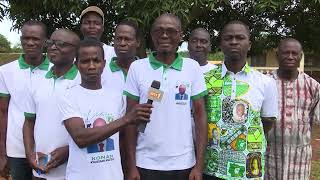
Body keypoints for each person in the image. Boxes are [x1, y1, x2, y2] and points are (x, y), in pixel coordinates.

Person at [124, 13, 208, 180]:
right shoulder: (137, 67)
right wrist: (131, 166)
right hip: (144, 163)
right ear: (152, 35)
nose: (164, 35)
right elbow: (130, 120)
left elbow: (200, 117)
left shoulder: (192, 68)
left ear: (180, 36)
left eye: (171, 31)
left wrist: (198, 166)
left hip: (184, 163)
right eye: (159, 31)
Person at [57, 39, 152, 180]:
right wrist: (126, 119)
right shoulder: (68, 96)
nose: (91, 66)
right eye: (85, 61)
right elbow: (80, 138)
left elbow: (121, 138)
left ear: (104, 64)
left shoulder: (117, 96)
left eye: (96, 60)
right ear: (77, 65)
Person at [203, 20, 278, 180]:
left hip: (249, 170)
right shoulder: (205, 79)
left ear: (249, 44)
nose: (234, 42)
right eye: (228, 38)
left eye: (240, 38)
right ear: (221, 44)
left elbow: (267, 122)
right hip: (212, 168)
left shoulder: (265, 82)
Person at [23, 29, 80, 180]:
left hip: (75, 170)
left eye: (61, 44)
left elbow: (93, 127)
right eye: (51, 43)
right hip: (41, 169)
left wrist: (69, 151)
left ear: (76, 51)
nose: (53, 47)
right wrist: (30, 155)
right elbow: (29, 121)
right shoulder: (36, 81)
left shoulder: (84, 82)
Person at [0, 20, 50, 180]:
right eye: (25, 38)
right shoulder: (5, 71)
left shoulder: (56, 70)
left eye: (35, 39)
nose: (30, 42)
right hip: (16, 148)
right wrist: (2, 152)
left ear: (45, 41)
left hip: (47, 147)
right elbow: (2, 112)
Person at [265, 38, 320, 180]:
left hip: (300, 159)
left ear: (300, 57)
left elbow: (316, 120)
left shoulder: (313, 86)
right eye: (285, 53)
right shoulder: (265, 83)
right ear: (277, 56)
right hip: (268, 156)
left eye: (294, 53)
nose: (290, 57)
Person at [101, 20, 140, 175]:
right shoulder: (101, 71)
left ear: (137, 42)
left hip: (140, 144)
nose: (122, 43)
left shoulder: (146, 70)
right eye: (118, 39)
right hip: (108, 142)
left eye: (128, 39)